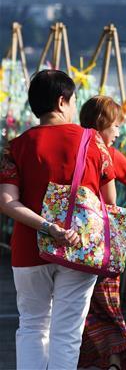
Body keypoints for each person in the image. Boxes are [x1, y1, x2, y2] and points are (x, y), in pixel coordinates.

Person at [0, 70, 114, 369]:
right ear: (62, 101)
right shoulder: (93, 141)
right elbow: (110, 202)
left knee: (32, 326)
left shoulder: (15, 147)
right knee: (67, 333)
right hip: (79, 247)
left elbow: (7, 202)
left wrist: (49, 227)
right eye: (73, 101)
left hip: (29, 248)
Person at [78, 95, 126, 370]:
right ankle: (113, 360)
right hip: (103, 242)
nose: (119, 132)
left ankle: (99, 360)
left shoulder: (74, 147)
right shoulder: (107, 154)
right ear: (102, 123)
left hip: (71, 239)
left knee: (80, 306)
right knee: (107, 304)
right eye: (116, 126)